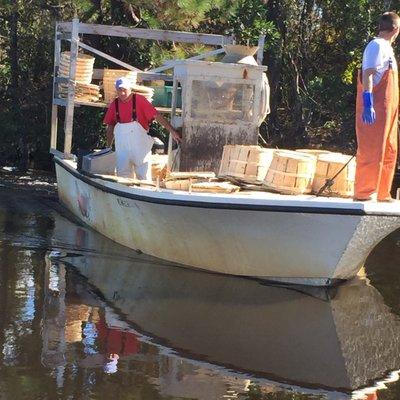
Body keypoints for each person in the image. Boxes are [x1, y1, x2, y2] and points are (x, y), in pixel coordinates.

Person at [354, 12, 400, 202]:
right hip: (374, 108)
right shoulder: (376, 45)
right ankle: (364, 194)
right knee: (372, 149)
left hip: (389, 110)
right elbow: (368, 74)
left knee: (389, 149)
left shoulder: (388, 49)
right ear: (396, 28)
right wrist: (368, 102)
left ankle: (382, 193)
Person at [103, 77, 181, 180]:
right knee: (122, 178)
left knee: (144, 178)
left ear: (130, 89)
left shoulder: (140, 100)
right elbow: (110, 126)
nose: (122, 93)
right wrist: (108, 147)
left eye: (124, 90)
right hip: (123, 151)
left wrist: (172, 131)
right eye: (119, 90)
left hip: (140, 150)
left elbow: (157, 116)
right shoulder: (114, 104)